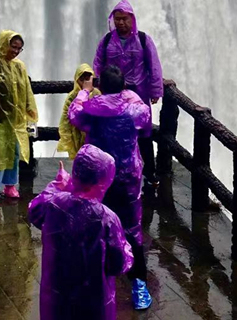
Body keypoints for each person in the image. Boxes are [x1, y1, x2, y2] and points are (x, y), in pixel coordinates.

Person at [69, 65, 154, 310]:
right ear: (123, 85)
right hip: (127, 177)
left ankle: (94, 284)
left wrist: (85, 91)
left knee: (94, 225)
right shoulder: (134, 109)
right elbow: (146, 122)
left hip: (98, 178)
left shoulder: (91, 109)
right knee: (132, 230)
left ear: (100, 86)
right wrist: (129, 94)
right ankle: (139, 286)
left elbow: (74, 115)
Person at [28, 145, 133, 320]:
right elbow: (119, 263)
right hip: (95, 301)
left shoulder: (54, 204)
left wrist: (58, 186)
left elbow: (35, 211)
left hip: (57, 296)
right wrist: (127, 249)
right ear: (104, 181)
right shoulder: (107, 219)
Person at [92, 0, 172, 185]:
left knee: (143, 133)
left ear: (132, 19)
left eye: (124, 19)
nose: (121, 22)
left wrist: (155, 91)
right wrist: (98, 86)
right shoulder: (107, 41)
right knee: (114, 133)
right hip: (113, 95)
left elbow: (154, 66)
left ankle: (150, 173)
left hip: (139, 94)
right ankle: (113, 173)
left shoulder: (143, 40)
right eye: (117, 19)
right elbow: (98, 63)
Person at [0, 30, 38, 202]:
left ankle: (10, 185)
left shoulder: (19, 66)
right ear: (4, 44)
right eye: (13, 46)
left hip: (15, 118)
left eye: (19, 48)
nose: (16, 51)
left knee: (14, 152)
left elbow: (26, 89)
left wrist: (29, 108)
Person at [57, 63, 99, 159]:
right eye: (82, 79)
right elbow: (65, 120)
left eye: (87, 79)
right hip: (76, 135)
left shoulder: (96, 93)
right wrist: (67, 140)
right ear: (77, 80)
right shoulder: (72, 96)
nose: (85, 82)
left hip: (93, 135)